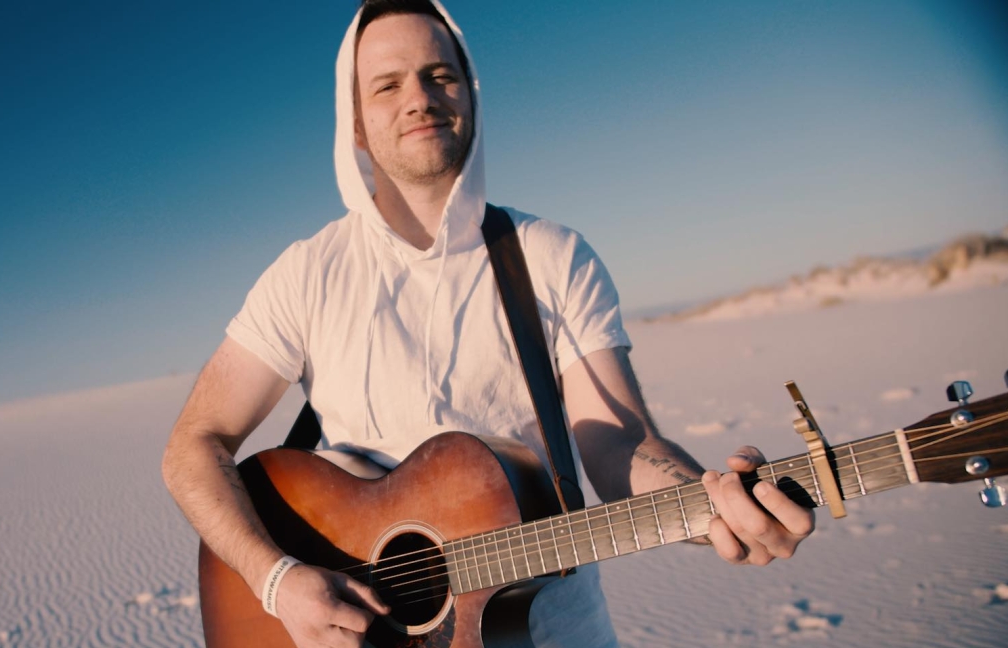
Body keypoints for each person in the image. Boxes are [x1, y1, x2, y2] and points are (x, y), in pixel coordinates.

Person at [161, 1, 815, 646]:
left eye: (439, 75)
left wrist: (709, 506)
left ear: (469, 96)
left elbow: (619, 444)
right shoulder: (306, 274)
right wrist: (275, 580)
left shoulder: (549, 255)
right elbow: (194, 445)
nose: (419, 98)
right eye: (387, 85)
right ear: (355, 124)